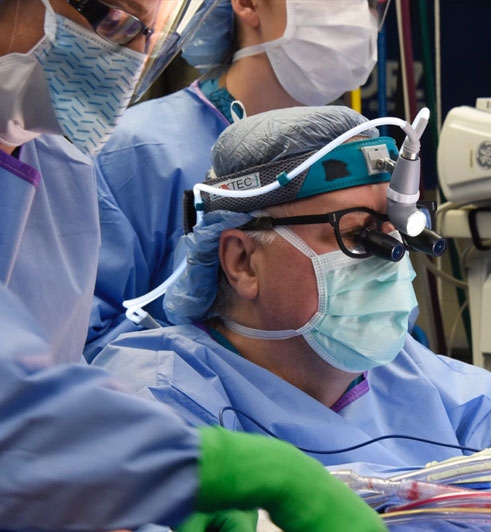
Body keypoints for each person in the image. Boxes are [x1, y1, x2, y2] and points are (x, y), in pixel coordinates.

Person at [92, 105, 491, 501]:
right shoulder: (161, 397)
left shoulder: (410, 375)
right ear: (243, 263)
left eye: (393, 231)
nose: (391, 260)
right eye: (357, 234)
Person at [0, 1, 387, 530]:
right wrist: (191, 464)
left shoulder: (57, 164)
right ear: (238, 259)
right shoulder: (137, 154)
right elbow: (21, 399)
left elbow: (49, 390)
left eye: (150, 36)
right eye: (113, 20)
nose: (132, 54)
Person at [87, 0, 384, 359]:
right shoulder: (137, 153)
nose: (358, 13)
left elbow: (385, 338)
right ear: (246, 4)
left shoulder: (358, 157)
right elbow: (82, 341)